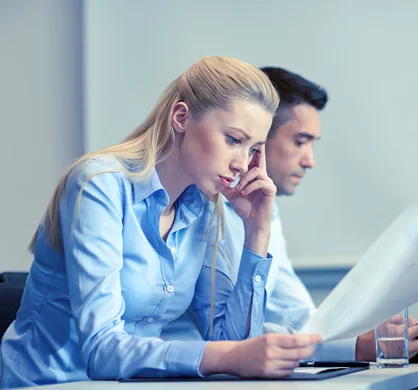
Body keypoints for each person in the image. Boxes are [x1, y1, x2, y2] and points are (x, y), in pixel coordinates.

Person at [0, 56, 322, 388]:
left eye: (254, 149)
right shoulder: (100, 184)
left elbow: (235, 343)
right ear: (181, 117)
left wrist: (258, 231)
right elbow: (102, 350)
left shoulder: (206, 207)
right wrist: (225, 356)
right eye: (233, 140)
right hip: (48, 383)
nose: (243, 163)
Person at [163, 66, 418, 360]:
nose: (310, 161)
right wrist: (356, 347)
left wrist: (378, 336)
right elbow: (234, 342)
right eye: (300, 142)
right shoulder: (207, 209)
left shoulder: (264, 212)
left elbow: (300, 318)